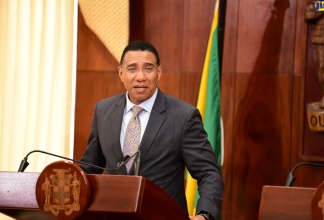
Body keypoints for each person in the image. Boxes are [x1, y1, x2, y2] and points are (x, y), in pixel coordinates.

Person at [79, 40, 223, 220]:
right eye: (132, 69)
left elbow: (209, 172)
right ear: (121, 73)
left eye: (148, 69)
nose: (140, 77)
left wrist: (205, 215)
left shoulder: (183, 116)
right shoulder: (103, 110)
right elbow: (88, 169)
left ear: (159, 72)